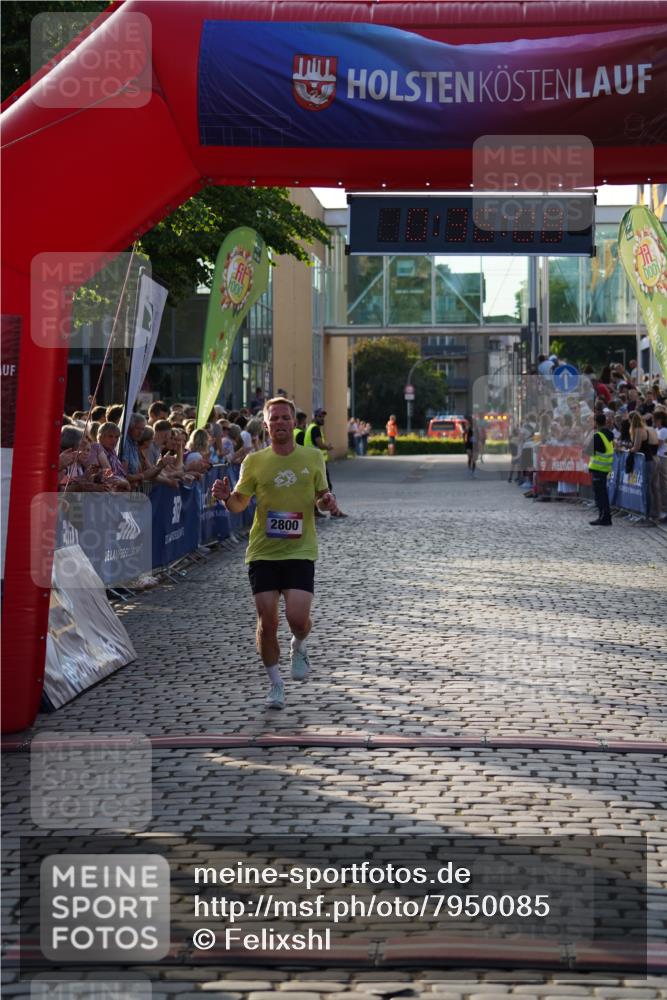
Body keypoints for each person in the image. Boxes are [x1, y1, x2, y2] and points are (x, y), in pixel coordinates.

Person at [212, 397, 337, 710]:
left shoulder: (312, 457)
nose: (280, 423)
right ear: (265, 426)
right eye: (274, 419)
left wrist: (327, 503)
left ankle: (299, 644)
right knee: (267, 623)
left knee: (297, 619)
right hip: (263, 552)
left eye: (285, 418)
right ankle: (275, 685)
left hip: (300, 549)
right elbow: (241, 502)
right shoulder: (254, 462)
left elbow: (321, 498)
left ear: (294, 423)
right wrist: (227, 499)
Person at [305, 408, 347, 517]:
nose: (322, 419)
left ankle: (316, 510)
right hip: (317, 463)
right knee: (326, 488)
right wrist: (328, 446)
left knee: (316, 488)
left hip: (313, 462)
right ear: (315, 417)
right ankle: (333, 511)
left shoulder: (311, 428)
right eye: (320, 417)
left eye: (323, 417)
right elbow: (319, 444)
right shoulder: (315, 429)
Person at [587, 412, 614, 526]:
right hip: (606, 467)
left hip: (598, 468)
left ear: (596, 423)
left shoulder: (598, 436)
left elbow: (588, 451)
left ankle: (603, 517)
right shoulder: (610, 434)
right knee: (603, 493)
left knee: (600, 495)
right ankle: (605, 516)